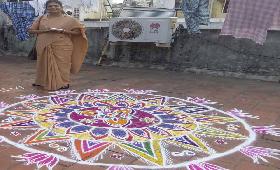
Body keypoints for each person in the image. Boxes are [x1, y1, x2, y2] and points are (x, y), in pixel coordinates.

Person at [28, 0, 88, 91]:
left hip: (63, 45)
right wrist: (46, 31)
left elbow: (78, 32)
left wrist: (62, 31)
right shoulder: (41, 18)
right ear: (46, 8)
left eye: (56, 6)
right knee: (42, 63)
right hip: (43, 45)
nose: (53, 8)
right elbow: (31, 31)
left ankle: (64, 82)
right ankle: (41, 81)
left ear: (61, 7)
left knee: (63, 65)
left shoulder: (69, 19)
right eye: (50, 6)